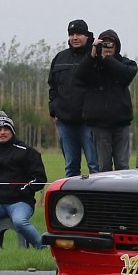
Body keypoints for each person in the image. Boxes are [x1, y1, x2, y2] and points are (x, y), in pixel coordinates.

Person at [0, 111, 48, 249]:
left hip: (21, 202)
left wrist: (24, 190)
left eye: (6, 129)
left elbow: (39, 178)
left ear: (12, 131)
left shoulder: (27, 152)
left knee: (20, 222)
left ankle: (42, 247)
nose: (2, 132)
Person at [78, 28, 138, 171]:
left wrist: (108, 59)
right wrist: (92, 56)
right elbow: (79, 76)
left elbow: (126, 76)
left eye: (111, 44)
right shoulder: (92, 64)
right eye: (104, 44)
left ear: (117, 46)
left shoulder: (126, 63)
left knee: (122, 165)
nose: (107, 48)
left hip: (121, 123)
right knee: (103, 165)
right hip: (99, 124)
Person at [48, 18, 97, 177]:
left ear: (87, 36)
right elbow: (52, 86)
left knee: (95, 166)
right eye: (71, 34)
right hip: (65, 122)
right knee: (70, 167)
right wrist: (54, 108)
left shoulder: (94, 57)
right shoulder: (60, 58)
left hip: (89, 122)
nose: (75, 38)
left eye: (79, 34)